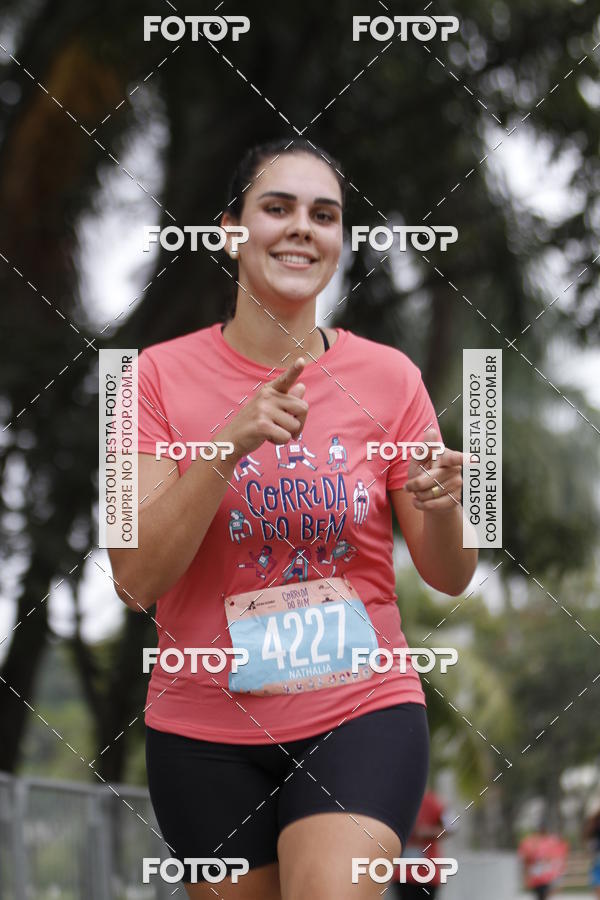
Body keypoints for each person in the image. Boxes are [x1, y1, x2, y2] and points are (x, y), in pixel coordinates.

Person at [108, 138, 477, 899]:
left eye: (324, 214)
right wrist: (228, 443)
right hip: (202, 732)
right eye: (276, 208)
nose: (302, 227)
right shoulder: (142, 382)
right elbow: (132, 578)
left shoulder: (392, 377)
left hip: (360, 708)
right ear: (228, 232)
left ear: (339, 241)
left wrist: (447, 510)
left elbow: (449, 575)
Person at [388, 789, 453, 898]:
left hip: (427, 874)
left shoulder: (432, 801)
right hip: (402, 874)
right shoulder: (395, 802)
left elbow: (452, 825)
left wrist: (428, 832)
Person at [518, 823, 569, 899]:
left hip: (547, 875)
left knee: (543, 895)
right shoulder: (531, 842)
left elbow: (560, 857)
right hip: (537, 876)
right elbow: (526, 859)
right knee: (541, 895)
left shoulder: (552, 841)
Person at [584, 807, 600, 898]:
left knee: (597, 881)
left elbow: (589, 843)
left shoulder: (593, 825)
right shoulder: (594, 826)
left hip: (596, 857)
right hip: (597, 857)